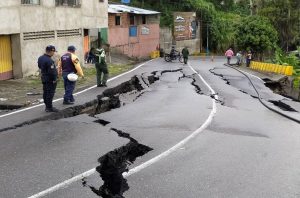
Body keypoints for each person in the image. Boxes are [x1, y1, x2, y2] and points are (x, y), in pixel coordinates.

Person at [37, 45, 59, 112]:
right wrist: (55, 79)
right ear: (51, 51)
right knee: (50, 93)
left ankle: (47, 106)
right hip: (50, 79)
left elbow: (39, 66)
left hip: (44, 77)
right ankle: (49, 107)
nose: (54, 53)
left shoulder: (40, 58)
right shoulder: (49, 61)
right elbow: (52, 72)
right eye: (54, 51)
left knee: (45, 92)